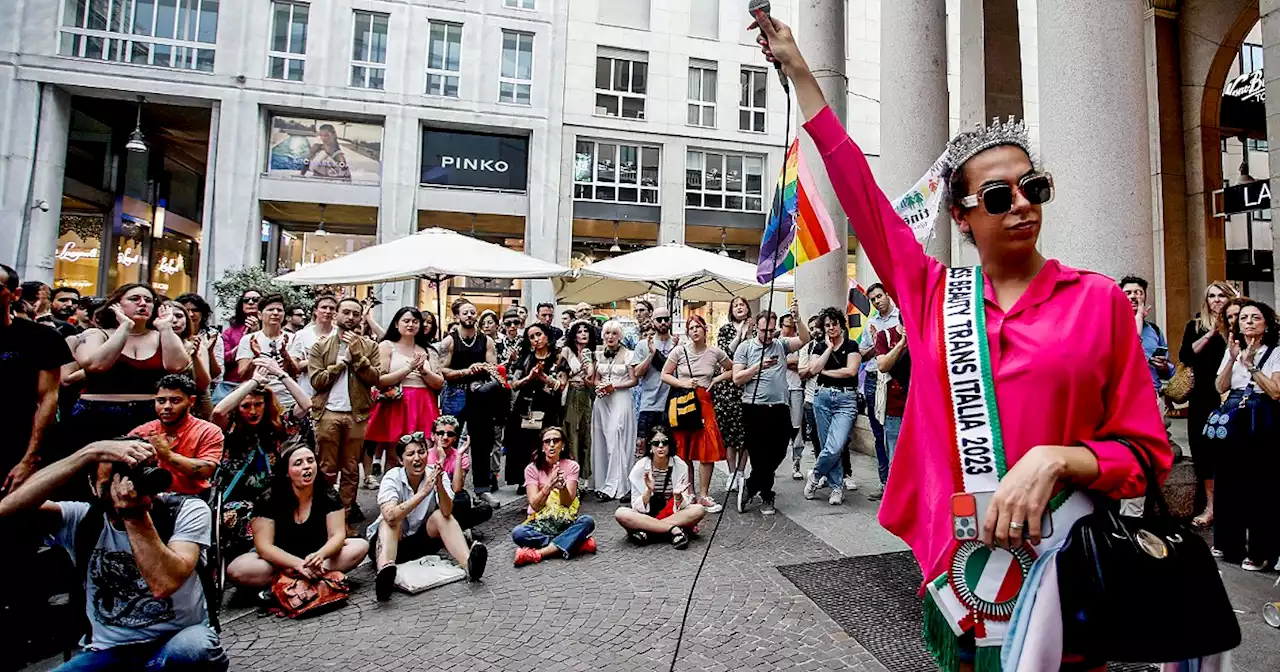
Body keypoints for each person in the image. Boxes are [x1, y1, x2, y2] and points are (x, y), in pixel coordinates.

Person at [753, 16, 1169, 668]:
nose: (1021, 205)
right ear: (962, 214)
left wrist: (1061, 459)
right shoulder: (930, 294)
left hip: (1065, 573)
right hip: (965, 581)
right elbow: (859, 191)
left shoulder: (1100, 302)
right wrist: (802, 75)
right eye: (998, 195)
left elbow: (1146, 454)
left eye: (1034, 188)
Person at [0, 438, 227, 671]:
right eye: (111, 484)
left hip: (176, 639)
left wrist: (135, 516)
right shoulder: (81, 519)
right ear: (92, 485)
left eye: (133, 478)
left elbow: (164, 583)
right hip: (110, 651)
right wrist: (87, 454)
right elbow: (7, 509)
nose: (123, 489)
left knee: (195, 651)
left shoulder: (184, 510)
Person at [367, 429, 489, 601]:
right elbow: (390, 516)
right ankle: (384, 574)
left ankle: (469, 563)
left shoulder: (436, 473)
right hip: (390, 543)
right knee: (391, 523)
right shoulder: (392, 477)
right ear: (401, 460)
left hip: (420, 541)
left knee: (441, 516)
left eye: (421, 452)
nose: (417, 458)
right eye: (410, 454)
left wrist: (438, 483)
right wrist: (423, 493)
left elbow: (447, 511)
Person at [69, 284, 191, 454]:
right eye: (135, 299)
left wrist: (165, 327)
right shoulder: (96, 334)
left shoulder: (163, 335)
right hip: (97, 412)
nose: (143, 304)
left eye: (148, 300)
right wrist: (125, 327)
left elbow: (177, 366)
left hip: (148, 414)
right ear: (117, 304)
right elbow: (95, 365)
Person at [225, 444, 368, 588]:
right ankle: (307, 577)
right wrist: (297, 564)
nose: (307, 466)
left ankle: (298, 578)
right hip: (280, 563)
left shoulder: (328, 495)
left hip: (317, 559)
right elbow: (264, 546)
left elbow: (337, 535)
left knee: (360, 546)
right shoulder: (269, 499)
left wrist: (320, 555)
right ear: (287, 472)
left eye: (310, 461)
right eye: (298, 463)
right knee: (237, 569)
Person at [210, 366, 310, 559]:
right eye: (246, 406)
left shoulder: (276, 428)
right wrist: (253, 382)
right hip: (234, 501)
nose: (253, 411)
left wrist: (281, 374)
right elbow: (218, 412)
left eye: (258, 404)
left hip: (269, 497)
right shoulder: (230, 429)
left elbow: (306, 405)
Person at [1212, 298, 1280, 571]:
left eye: (1255, 318)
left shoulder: (1274, 352)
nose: (1249, 322)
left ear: (1266, 324)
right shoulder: (1232, 350)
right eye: (1243, 318)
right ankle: (1231, 545)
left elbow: (1275, 391)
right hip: (1235, 417)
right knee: (1230, 483)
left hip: (1262, 417)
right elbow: (1220, 386)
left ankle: (1262, 551)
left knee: (1261, 486)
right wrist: (1232, 359)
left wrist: (1251, 366)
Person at [732, 302, 810, 515]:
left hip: (779, 408)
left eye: (771, 330)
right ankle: (767, 494)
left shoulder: (781, 344)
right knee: (759, 455)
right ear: (756, 327)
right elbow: (737, 378)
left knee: (778, 451)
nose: (768, 335)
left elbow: (805, 339)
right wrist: (757, 367)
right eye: (764, 330)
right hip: (754, 408)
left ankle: (750, 485)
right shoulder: (745, 348)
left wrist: (797, 319)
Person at [0, 264, 72, 494]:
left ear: (15, 294)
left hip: (14, 443)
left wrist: (30, 457)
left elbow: (48, 399)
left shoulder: (41, 338)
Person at [308, 298, 381, 523]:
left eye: (355, 313)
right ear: (336, 315)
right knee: (326, 468)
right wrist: (341, 363)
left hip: (357, 414)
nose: (350, 317)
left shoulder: (370, 346)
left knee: (351, 470)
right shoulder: (320, 346)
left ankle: (345, 517)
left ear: (361, 318)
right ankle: (323, 516)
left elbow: (375, 379)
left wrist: (358, 356)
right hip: (327, 412)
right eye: (346, 312)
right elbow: (317, 381)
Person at [661, 314, 733, 513]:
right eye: (691, 328)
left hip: (705, 401)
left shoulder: (715, 352)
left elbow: (732, 369)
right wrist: (683, 382)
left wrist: (717, 380)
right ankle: (689, 492)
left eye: (698, 327)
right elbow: (665, 374)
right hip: (684, 402)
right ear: (687, 331)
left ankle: (703, 494)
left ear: (704, 330)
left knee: (706, 448)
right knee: (685, 448)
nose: (694, 331)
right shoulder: (679, 351)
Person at [364, 307, 443, 487]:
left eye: (415, 321)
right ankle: (391, 497)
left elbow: (439, 382)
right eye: (406, 320)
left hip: (423, 402)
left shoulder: (428, 350)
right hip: (396, 403)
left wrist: (423, 371)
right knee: (395, 455)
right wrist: (408, 369)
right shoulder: (386, 346)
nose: (411, 324)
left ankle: (418, 495)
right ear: (396, 323)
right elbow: (380, 380)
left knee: (423, 452)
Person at [1179, 282, 1237, 527]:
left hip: (1233, 394)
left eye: (1221, 295)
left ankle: (1234, 506)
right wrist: (1210, 334)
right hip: (1204, 396)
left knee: (1233, 452)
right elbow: (1186, 356)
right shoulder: (1196, 326)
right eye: (1211, 296)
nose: (1216, 300)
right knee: (1203, 451)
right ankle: (1211, 506)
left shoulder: (1239, 323)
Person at [437, 300, 500, 506]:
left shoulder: (486, 341)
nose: (470, 316)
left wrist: (482, 367)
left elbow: (493, 368)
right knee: (449, 439)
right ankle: (445, 483)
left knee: (482, 442)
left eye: (473, 312)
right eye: (465, 313)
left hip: (479, 393)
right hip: (455, 393)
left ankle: (482, 488)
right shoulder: (450, 341)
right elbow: (441, 370)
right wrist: (464, 372)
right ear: (458, 317)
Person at [127, 374, 224, 497]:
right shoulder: (142, 431)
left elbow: (205, 470)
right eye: (161, 401)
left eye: (175, 400)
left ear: (191, 401)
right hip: (148, 498)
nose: (167, 406)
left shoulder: (208, 431)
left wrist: (167, 455)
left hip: (192, 499)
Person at [512, 426, 596, 566]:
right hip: (539, 523)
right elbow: (535, 505)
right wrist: (549, 485)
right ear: (542, 446)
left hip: (564, 521)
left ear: (562, 445)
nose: (551, 445)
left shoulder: (572, 466)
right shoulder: (531, 469)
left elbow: (568, 502)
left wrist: (562, 487)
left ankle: (539, 554)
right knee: (518, 533)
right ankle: (576, 543)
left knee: (587, 521)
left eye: (556, 440)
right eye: (547, 441)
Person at [803, 308, 861, 505]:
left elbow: (851, 371)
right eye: (827, 325)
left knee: (836, 445)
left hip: (846, 399)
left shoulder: (852, 345)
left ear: (840, 324)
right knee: (828, 444)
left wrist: (826, 372)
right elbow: (813, 369)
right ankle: (836, 488)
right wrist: (828, 349)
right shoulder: (820, 347)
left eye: (834, 323)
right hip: (823, 398)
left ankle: (816, 475)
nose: (831, 328)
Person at [615, 426, 706, 549]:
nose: (661, 446)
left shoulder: (680, 466)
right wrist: (648, 491)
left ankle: (649, 531)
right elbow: (636, 506)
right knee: (621, 513)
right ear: (650, 447)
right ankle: (673, 530)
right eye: (656, 443)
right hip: (647, 515)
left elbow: (684, 505)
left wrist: (678, 496)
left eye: (665, 442)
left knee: (699, 510)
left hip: (672, 514)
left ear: (670, 445)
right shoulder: (640, 467)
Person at [505, 323, 563, 492]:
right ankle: (524, 480)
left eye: (539, 335)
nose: (536, 339)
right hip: (525, 405)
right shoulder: (525, 358)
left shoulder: (558, 358)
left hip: (548, 407)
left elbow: (561, 385)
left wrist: (544, 378)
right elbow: (513, 384)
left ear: (546, 336)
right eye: (532, 337)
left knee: (545, 443)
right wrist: (529, 378)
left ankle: (547, 479)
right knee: (522, 444)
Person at [858, 283, 900, 495]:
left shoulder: (900, 317)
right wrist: (877, 343)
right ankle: (885, 483)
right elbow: (863, 354)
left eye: (879, 296)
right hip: (874, 379)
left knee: (897, 434)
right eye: (873, 299)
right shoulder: (871, 323)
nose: (877, 302)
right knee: (879, 434)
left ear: (887, 295)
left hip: (897, 380)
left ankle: (899, 483)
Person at [591, 320, 639, 503]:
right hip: (603, 401)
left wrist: (614, 386)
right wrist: (601, 386)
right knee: (602, 440)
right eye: (607, 333)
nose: (610, 337)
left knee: (616, 439)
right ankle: (603, 482)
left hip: (620, 399)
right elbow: (595, 379)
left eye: (614, 333)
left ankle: (617, 485)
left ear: (620, 336)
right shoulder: (599, 354)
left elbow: (634, 380)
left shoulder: (628, 355)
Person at [423, 416, 494, 531]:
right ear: (432, 436)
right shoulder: (424, 456)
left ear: (455, 438)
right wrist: (441, 458)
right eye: (440, 433)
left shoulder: (461, 457)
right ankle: (460, 529)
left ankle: (455, 528)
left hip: (452, 501)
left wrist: (459, 456)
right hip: (430, 501)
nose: (445, 437)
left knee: (465, 499)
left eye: (450, 434)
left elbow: (456, 488)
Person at [235, 294, 301, 410]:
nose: (275, 313)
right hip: (257, 401)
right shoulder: (249, 339)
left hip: (286, 401)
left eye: (279, 310)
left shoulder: (293, 338)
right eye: (270, 310)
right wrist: (256, 358)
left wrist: (285, 355)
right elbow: (242, 375)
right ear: (260, 315)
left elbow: (295, 372)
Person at [714, 296, 752, 492]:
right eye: (735, 305)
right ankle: (731, 473)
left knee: (745, 433)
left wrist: (748, 332)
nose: (739, 307)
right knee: (730, 433)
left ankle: (741, 472)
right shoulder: (726, 329)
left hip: (748, 385)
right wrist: (739, 335)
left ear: (747, 308)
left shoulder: (755, 328)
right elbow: (725, 354)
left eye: (742, 304)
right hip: (728, 389)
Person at [631, 307, 677, 456]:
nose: (663, 322)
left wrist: (674, 350)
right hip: (649, 403)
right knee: (645, 449)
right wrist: (651, 355)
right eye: (659, 319)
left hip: (671, 404)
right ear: (653, 321)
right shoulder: (643, 345)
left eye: (666, 319)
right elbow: (637, 373)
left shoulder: (678, 345)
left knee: (669, 450)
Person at [560, 320, 598, 489]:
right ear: (573, 335)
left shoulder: (593, 354)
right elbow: (562, 376)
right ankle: (571, 475)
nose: (583, 334)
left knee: (586, 435)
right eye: (579, 331)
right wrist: (578, 368)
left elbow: (592, 379)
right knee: (571, 434)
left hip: (587, 395)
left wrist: (588, 369)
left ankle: (584, 477)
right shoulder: (567, 351)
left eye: (586, 331)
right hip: (572, 394)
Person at [163, 301, 216, 419]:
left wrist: (195, 356)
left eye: (179, 316)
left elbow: (203, 385)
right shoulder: (154, 345)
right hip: (163, 407)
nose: (174, 321)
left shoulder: (197, 345)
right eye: (169, 316)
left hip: (196, 407)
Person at [176, 293, 224, 419]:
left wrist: (208, 352)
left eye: (195, 310)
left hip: (204, 395)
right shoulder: (173, 336)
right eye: (186, 311)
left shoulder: (212, 336)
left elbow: (216, 375)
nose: (191, 314)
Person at [287, 293, 338, 400]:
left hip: (334, 394)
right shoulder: (302, 335)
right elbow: (295, 366)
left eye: (332, 308)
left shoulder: (339, 334)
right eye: (324, 307)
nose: (328, 311)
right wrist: (319, 358)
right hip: (307, 393)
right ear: (316, 311)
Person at [216, 288, 262, 402]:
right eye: (246, 300)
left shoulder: (270, 329)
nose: (251, 302)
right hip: (233, 385)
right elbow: (224, 358)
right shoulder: (230, 332)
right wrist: (244, 341)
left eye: (255, 300)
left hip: (262, 383)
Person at [781, 313, 807, 479]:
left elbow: (804, 363)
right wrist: (790, 362)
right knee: (777, 428)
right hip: (779, 388)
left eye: (792, 326)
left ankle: (796, 461)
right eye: (787, 325)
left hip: (796, 387)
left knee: (796, 427)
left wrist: (787, 362)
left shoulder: (800, 341)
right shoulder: (777, 342)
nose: (790, 329)